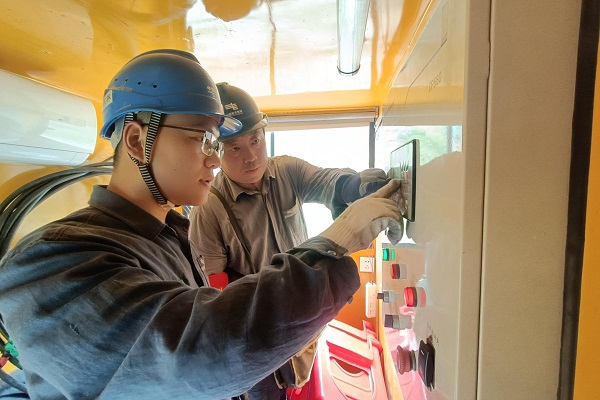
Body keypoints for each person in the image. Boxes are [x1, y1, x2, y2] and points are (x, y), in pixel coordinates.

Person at [0, 49, 403, 400]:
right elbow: (202, 351)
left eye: (220, 142)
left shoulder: (169, 235)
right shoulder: (49, 264)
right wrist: (332, 246)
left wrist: (357, 187)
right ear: (138, 141)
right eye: (205, 140)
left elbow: (327, 182)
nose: (215, 159)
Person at [188, 83, 393, 399]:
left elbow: (328, 182)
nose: (251, 156)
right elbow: (217, 295)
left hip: (302, 321)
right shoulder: (208, 209)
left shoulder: (286, 171)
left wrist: (358, 188)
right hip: (257, 340)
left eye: (256, 140)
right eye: (234, 148)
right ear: (216, 152)